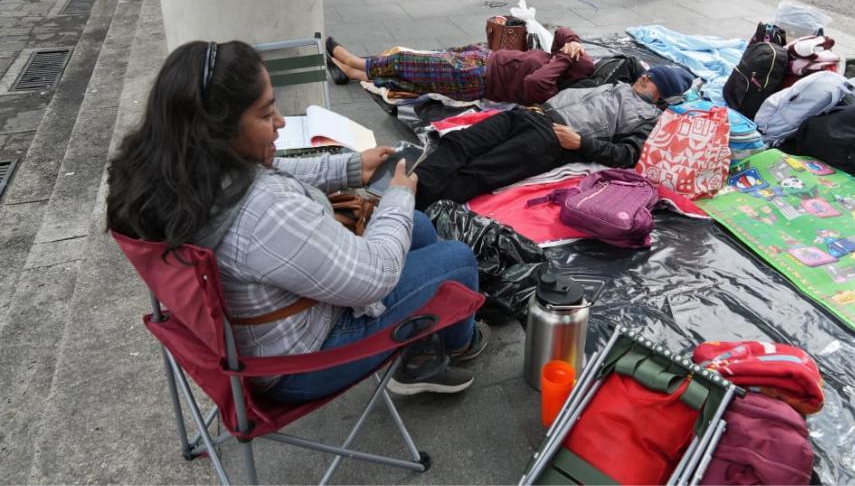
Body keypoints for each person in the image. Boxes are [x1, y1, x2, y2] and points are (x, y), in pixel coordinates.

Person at [106, 41, 486, 402]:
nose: (280, 121)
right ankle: (460, 345)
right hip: (301, 363)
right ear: (218, 129)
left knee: (417, 228)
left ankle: (421, 349)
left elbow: (274, 169)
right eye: (265, 112)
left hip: (254, 334)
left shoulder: (181, 173)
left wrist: (353, 166)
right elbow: (375, 276)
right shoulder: (265, 213)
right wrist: (400, 195)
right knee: (457, 259)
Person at [413, 65, 694, 209]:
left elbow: (626, 155)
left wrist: (581, 143)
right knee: (460, 143)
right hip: (527, 114)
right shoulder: (614, 82)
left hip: (552, 137)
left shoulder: (649, 118)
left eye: (654, 80)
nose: (645, 77)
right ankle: (406, 193)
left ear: (663, 95)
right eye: (647, 73)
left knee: (479, 171)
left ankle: (412, 212)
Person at [326, 27, 596, 105]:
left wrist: (562, 58)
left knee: (407, 62)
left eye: (572, 59)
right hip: (481, 60)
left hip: (474, 77)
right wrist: (573, 42)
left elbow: (533, 83)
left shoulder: (551, 85)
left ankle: (352, 62)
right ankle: (351, 72)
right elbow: (562, 32)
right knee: (416, 75)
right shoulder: (557, 63)